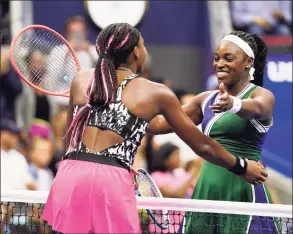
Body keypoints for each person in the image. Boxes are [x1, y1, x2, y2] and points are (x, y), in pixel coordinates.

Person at [42, 24, 267, 234]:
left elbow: (70, 137)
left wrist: (200, 104)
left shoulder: (80, 79)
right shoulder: (155, 92)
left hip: (69, 174)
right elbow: (202, 145)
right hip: (109, 181)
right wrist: (240, 166)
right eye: (143, 45)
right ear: (137, 53)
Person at [148, 31, 278, 233]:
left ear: (248, 62)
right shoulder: (205, 100)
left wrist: (234, 104)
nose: (219, 64)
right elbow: (158, 125)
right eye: (217, 58)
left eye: (228, 58)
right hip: (206, 190)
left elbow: (260, 108)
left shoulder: (261, 95)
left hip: (242, 190)